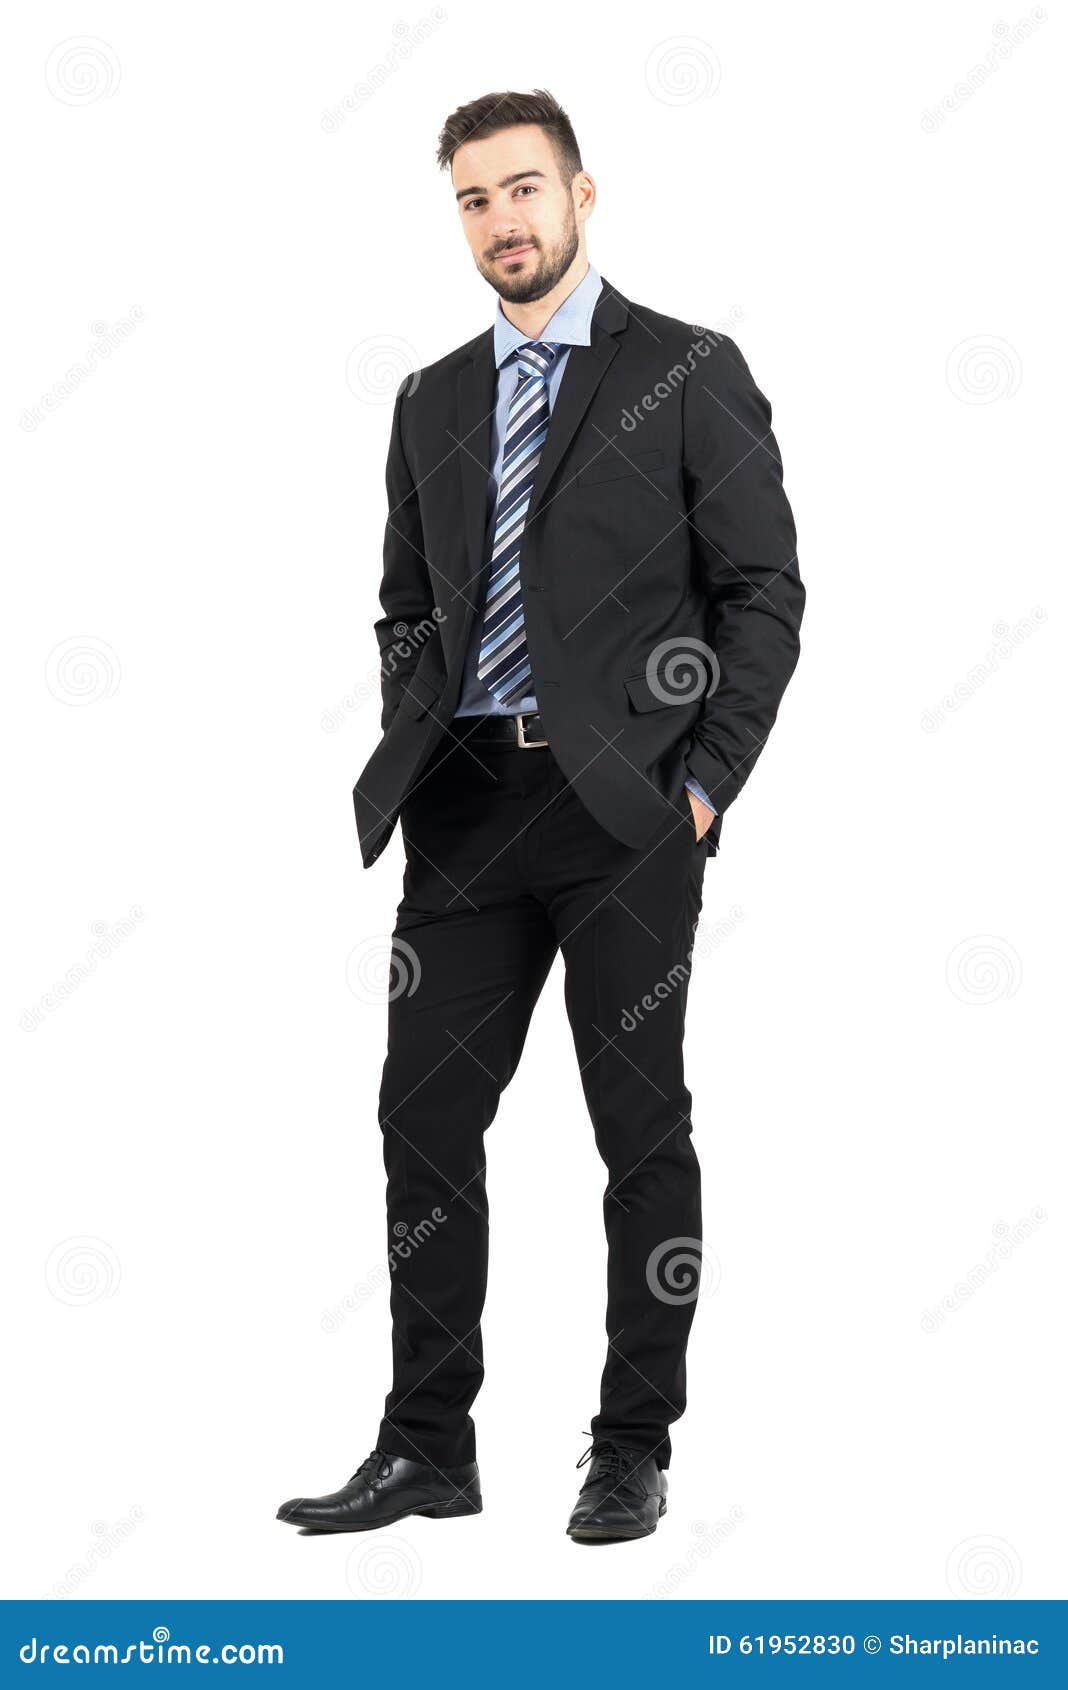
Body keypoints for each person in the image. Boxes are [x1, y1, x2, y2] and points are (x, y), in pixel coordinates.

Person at [278, 88, 804, 1544]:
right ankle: (426, 1443)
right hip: (464, 809)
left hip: (625, 809)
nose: (501, 221)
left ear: (583, 194)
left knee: (637, 1129)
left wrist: (699, 782)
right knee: (422, 1118)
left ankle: (632, 1441)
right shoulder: (432, 399)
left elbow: (764, 593)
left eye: (523, 190)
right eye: (473, 200)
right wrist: (415, 714)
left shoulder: (689, 371)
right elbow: (404, 603)